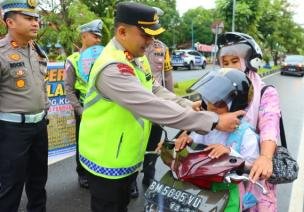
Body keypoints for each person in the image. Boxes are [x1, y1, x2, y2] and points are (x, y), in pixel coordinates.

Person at [78, 2, 244, 212]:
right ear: (122, 32)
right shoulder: (112, 68)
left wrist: (188, 105)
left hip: (125, 154)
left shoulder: (135, 58)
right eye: (146, 36)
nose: (151, 42)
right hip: (106, 158)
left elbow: (155, 89)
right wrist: (215, 121)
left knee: (121, 205)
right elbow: (152, 106)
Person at [175, 69, 269, 211]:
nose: (212, 106)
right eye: (209, 99)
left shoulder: (245, 134)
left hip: (228, 194)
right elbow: (196, 147)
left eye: (219, 102)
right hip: (200, 188)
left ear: (236, 104)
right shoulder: (207, 125)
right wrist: (186, 142)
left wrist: (230, 154)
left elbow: (253, 166)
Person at [217, 32, 280, 211]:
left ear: (251, 62)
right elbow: (205, 115)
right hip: (220, 168)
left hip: (251, 170)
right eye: (225, 63)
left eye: (235, 61)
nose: (230, 68)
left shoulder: (265, 92)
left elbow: (269, 126)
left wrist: (265, 157)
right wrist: (185, 134)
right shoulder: (220, 88)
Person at [0, 0, 49, 211]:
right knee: (11, 186)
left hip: (39, 126)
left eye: (36, 18)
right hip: (12, 131)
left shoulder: (37, 50)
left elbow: (42, 85)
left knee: (38, 183)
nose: (35, 22)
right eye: (28, 18)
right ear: (10, 21)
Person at [130, 36, 174, 198]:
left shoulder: (162, 47)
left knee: (154, 144)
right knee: (135, 144)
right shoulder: (134, 45)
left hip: (157, 102)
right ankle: (132, 180)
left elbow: (167, 74)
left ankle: (149, 176)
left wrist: (171, 100)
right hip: (137, 104)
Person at [65, 19, 103, 188]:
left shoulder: (104, 57)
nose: (98, 40)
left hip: (103, 108)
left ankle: (100, 171)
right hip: (84, 108)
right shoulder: (73, 60)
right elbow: (68, 89)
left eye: (99, 37)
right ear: (84, 36)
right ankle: (82, 173)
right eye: (94, 36)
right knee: (83, 142)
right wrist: (80, 110)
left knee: (103, 141)